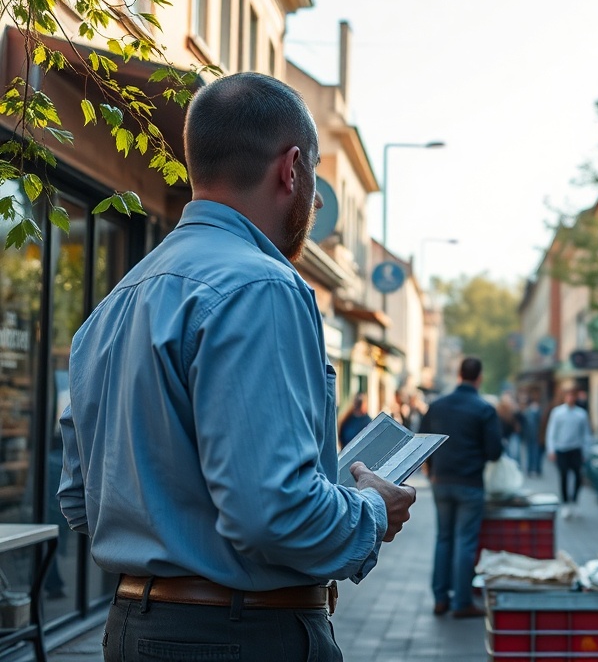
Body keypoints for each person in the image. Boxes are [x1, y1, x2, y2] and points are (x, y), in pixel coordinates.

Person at [57, 72, 416, 662]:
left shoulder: (115, 303)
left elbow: (80, 498)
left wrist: (169, 533)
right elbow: (274, 512)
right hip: (240, 636)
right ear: (292, 169)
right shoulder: (262, 286)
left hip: (133, 630)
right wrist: (372, 509)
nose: (315, 200)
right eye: (317, 178)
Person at [419, 356, 503, 619]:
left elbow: (421, 441)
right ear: (479, 377)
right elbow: (494, 452)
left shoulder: (437, 405)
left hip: (440, 482)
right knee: (464, 543)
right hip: (470, 484)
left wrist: (431, 471)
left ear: (458, 375)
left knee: (443, 538)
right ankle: (462, 602)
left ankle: (440, 598)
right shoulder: (484, 409)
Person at [546, 386, 591, 520]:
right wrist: (551, 449)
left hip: (576, 449)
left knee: (578, 477)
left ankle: (575, 501)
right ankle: (565, 504)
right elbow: (551, 432)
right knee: (564, 476)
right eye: (568, 395)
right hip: (561, 449)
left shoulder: (581, 414)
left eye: (573, 396)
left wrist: (586, 450)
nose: (571, 398)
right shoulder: (557, 413)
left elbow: (586, 434)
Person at [520, 392, 543, 477]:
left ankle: (534, 469)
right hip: (531, 435)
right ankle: (532, 469)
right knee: (532, 452)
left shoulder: (533, 411)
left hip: (534, 435)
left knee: (534, 453)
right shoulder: (529, 411)